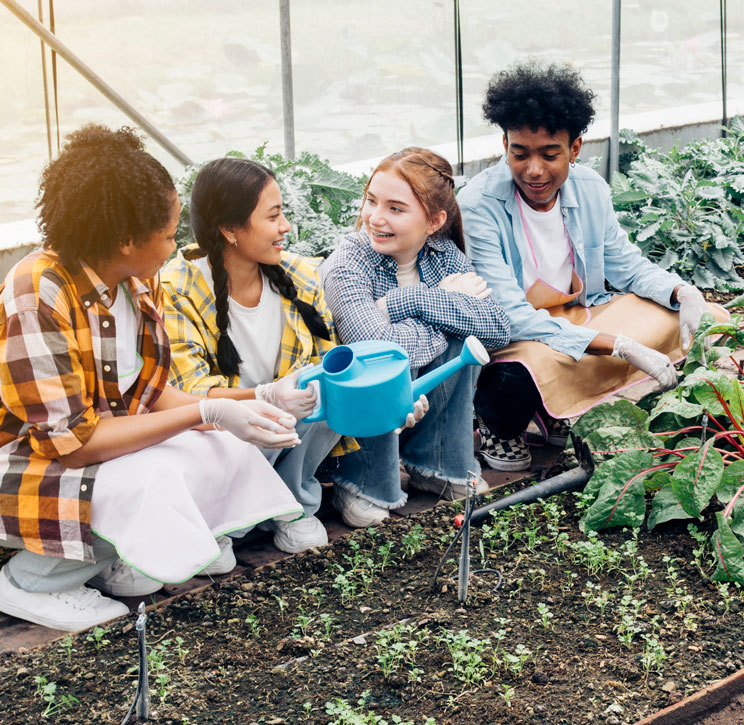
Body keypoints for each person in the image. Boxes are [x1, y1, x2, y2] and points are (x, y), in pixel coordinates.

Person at [0, 125, 305, 632]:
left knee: (222, 448)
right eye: (167, 234)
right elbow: (71, 443)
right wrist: (203, 412)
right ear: (124, 240)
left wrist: (253, 402)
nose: (176, 244)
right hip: (25, 458)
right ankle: (32, 579)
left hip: (89, 444)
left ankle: (107, 558)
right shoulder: (38, 292)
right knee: (151, 477)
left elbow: (148, 391)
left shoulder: (135, 282)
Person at [460, 61, 723, 471]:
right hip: (517, 333)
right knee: (519, 374)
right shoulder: (479, 205)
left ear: (575, 148)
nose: (534, 170)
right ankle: (500, 425)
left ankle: (553, 406)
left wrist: (681, 293)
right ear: (504, 144)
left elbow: (628, 268)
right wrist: (619, 345)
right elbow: (508, 316)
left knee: (675, 317)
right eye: (519, 153)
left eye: (550, 155)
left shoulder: (590, 189)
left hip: (578, 317)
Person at [161, 158, 423, 553]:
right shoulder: (175, 289)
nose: (286, 226)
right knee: (225, 422)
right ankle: (226, 518)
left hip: (286, 435)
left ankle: (290, 505)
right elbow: (194, 395)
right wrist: (266, 396)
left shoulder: (299, 276)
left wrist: (391, 403)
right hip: (224, 436)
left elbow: (333, 367)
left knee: (325, 390)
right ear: (230, 230)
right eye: (274, 216)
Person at [323, 147, 510, 500]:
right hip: (353, 419)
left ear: (434, 222)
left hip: (416, 405)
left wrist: (412, 299)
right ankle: (361, 481)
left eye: (395, 208)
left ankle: (436, 465)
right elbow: (375, 347)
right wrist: (448, 307)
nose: (375, 218)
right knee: (394, 361)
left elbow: (498, 327)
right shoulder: (347, 263)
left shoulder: (442, 253)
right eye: (372, 201)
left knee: (464, 335)